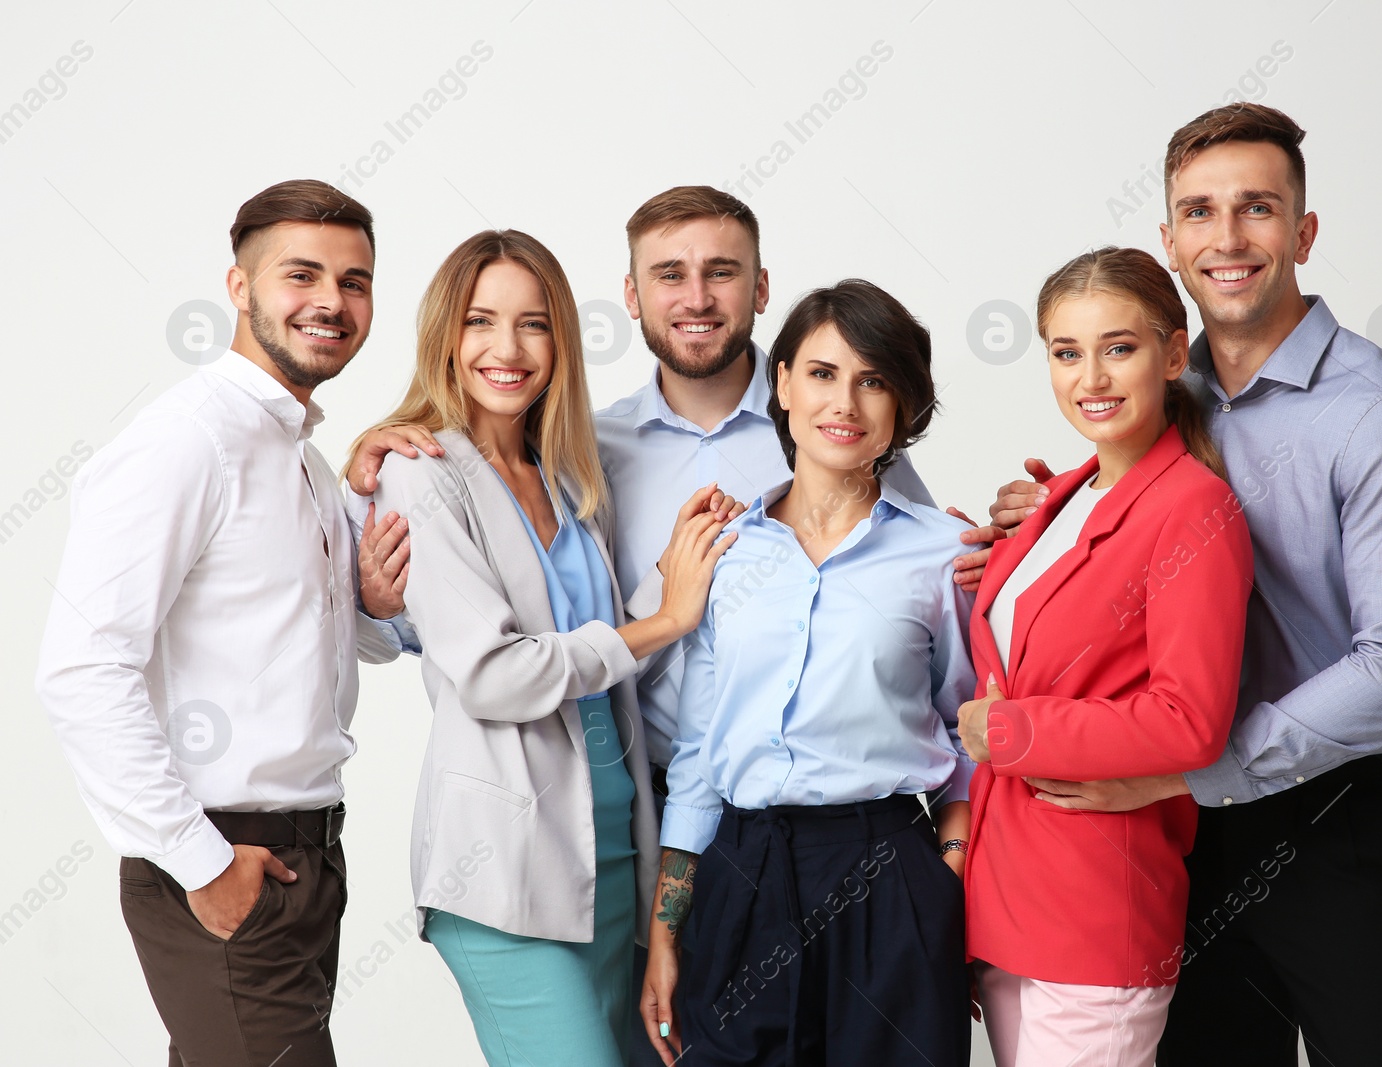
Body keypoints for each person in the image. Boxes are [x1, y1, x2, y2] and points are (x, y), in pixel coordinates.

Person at [344, 187, 989, 1064]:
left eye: (721, 272)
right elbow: (470, 642)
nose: (695, 297)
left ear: (761, 290)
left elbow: (941, 624)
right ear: (633, 293)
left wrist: (1030, 528)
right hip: (661, 820)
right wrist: (382, 583)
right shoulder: (589, 450)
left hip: (690, 834)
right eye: (670, 274)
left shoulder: (833, 428)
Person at [978, 104, 1382, 1066]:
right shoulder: (1154, 390)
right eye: (1200, 212)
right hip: (1174, 829)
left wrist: (1201, 768)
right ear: (1169, 240)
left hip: (1328, 816)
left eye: (1257, 208)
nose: (1228, 237)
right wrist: (1039, 523)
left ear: (1304, 231)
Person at [348, 229, 739, 1067]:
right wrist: (662, 619)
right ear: (445, 336)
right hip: (506, 879)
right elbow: (494, 675)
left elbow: (587, 642)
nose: (507, 348)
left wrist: (676, 567)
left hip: (610, 856)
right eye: (481, 321)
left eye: (534, 324)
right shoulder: (421, 473)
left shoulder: (565, 473)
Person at [36, 180, 399, 1066]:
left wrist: (371, 605)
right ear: (238, 288)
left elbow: (282, 638)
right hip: (224, 854)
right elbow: (82, 669)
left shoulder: (306, 462)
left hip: (311, 858)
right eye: (301, 274)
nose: (331, 301)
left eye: (354, 282)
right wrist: (201, 862)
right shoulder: (184, 442)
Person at [642, 280, 976, 1067]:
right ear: (782, 383)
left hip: (889, 873)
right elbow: (697, 755)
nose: (846, 403)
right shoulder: (723, 551)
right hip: (740, 872)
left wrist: (950, 879)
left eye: (874, 379)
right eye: (824, 373)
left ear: (903, 404)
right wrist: (664, 932)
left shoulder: (945, 554)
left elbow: (974, 734)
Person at [955, 247, 1253, 1066]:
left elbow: (1190, 722)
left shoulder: (1196, 506)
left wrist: (1010, 731)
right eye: (1066, 352)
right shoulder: (1057, 497)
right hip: (1008, 897)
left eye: (1118, 347)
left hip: (1096, 908)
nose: (1092, 376)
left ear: (1174, 354)